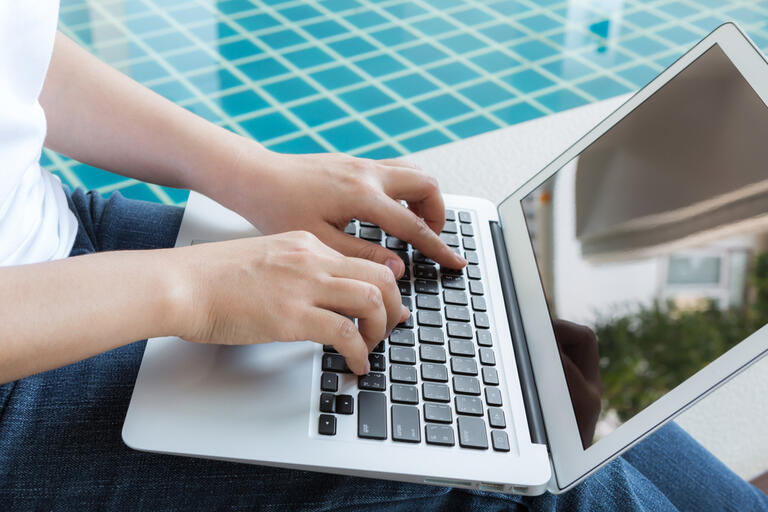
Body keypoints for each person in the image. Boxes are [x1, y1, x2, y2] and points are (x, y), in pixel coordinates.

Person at [0, 2, 766, 510]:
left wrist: (247, 170)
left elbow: (19, 51)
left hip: (51, 233)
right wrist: (189, 290)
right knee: (532, 488)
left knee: (538, 372)